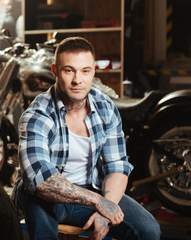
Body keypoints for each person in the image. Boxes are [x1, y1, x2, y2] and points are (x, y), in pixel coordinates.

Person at [12, 37, 161, 240]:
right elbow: (41, 182)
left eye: (85, 71)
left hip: (92, 191)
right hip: (47, 197)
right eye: (69, 70)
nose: (77, 80)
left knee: (149, 230)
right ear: (55, 71)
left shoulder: (105, 107)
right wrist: (97, 202)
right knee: (39, 215)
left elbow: (117, 166)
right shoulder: (37, 115)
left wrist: (105, 210)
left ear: (93, 72)